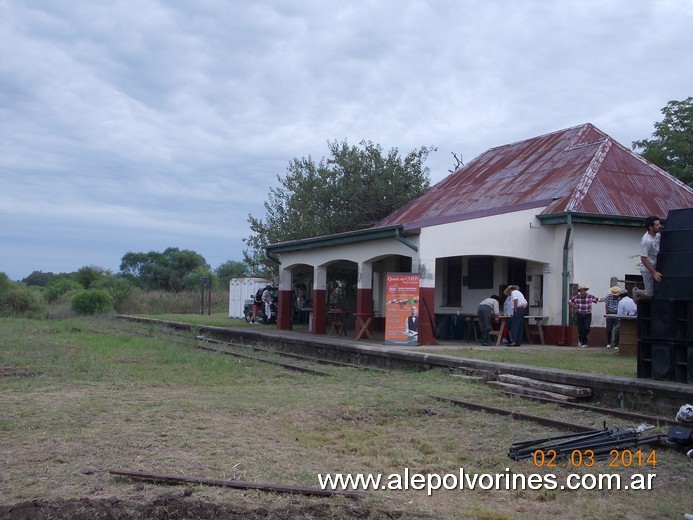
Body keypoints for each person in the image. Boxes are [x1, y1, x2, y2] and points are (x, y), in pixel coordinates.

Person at [633, 216, 663, 301]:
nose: (659, 226)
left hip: (657, 265)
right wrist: (654, 272)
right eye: (657, 225)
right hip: (648, 269)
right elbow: (643, 258)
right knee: (650, 294)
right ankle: (637, 292)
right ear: (650, 227)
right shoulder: (646, 241)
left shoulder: (658, 234)